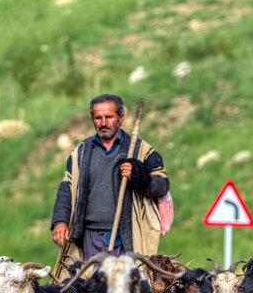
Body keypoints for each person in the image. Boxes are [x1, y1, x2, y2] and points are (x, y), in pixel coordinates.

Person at [51, 94, 169, 272]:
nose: (103, 123)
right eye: (98, 118)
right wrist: (60, 221)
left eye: (109, 117)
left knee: (125, 290)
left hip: (127, 237)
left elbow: (162, 185)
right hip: (89, 238)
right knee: (89, 290)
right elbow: (67, 188)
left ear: (121, 118)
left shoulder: (141, 151)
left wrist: (138, 175)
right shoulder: (82, 152)